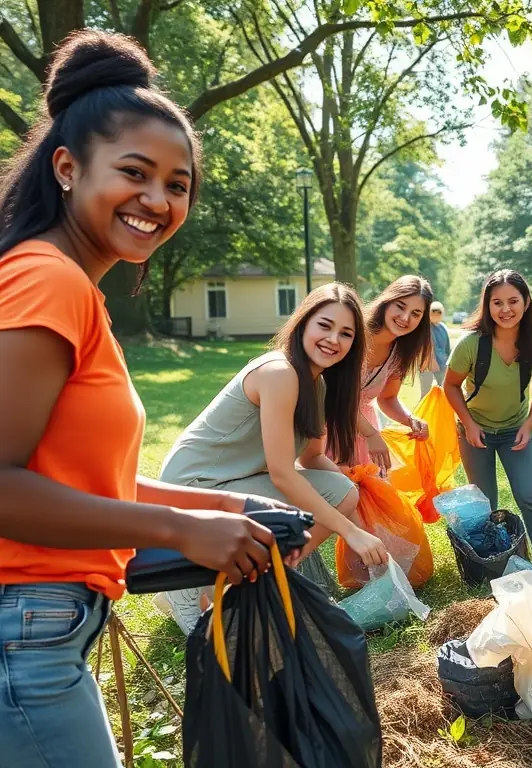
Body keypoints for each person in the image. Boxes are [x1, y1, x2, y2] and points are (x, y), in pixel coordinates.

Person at [0, 31, 304, 767]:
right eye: (134, 173)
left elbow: (77, 479)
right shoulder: (50, 281)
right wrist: (177, 529)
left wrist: (223, 509)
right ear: (68, 168)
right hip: (25, 633)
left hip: (47, 629)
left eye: (178, 183)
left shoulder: (68, 287)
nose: (157, 200)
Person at [158, 283, 389, 632]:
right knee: (334, 495)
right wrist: (350, 532)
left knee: (342, 490)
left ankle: (251, 581)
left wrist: (357, 495)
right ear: (303, 324)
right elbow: (283, 474)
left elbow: (311, 459)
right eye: (324, 325)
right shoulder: (279, 373)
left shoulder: (318, 385)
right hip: (194, 486)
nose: (333, 339)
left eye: (346, 333)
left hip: (234, 483)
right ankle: (197, 589)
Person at [443, 269, 532, 551]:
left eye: (513, 301)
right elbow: (451, 386)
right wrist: (468, 424)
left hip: (515, 431)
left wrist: (528, 426)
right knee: (485, 503)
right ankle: (491, 559)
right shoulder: (470, 344)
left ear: (526, 302)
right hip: (475, 431)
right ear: (487, 305)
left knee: (530, 497)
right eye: (497, 302)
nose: (506, 309)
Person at [334, 275, 433, 473]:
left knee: (367, 493)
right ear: (387, 301)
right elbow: (335, 396)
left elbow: (387, 398)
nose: (405, 318)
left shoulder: (399, 352)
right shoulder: (353, 333)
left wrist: (411, 420)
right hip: (327, 424)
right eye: (400, 306)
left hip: (363, 432)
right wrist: (371, 434)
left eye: (416, 313)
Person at [419, 300, 451, 398]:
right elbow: (423, 346)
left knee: (443, 392)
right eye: (433, 312)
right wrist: (431, 360)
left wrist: (449, 362)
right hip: (427, 365)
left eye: (439, 312)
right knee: (426, 393)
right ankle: (421, 413)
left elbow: (447, 347)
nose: (436, 315)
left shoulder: (443, 327)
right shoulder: (425, 328)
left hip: (442, 364)